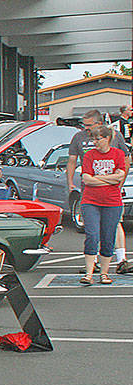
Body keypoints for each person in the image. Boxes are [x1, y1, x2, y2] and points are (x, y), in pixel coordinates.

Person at [68, 110, 130, 273]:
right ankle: (92, 262)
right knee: (92, 229)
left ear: (99, 123)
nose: (86, 129)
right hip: (90, 189)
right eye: (84, 125)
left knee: (115, 224)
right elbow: (72, 160)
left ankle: (121, 259)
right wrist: (70, 182)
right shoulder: (79, 138)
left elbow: (125, 160)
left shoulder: (115, 136)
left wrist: (120, 182)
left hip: (111, 192)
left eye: (89, 125)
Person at [77, 125, 127, 285]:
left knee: (108, 237)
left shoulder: (118, 154)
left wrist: (98, 179)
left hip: (112, 202)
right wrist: (109, 178)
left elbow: (120, 177)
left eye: (98, 139)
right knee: (92, 235)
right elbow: (86, 179)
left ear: (107, 139)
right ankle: (89, 273)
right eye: (93, 139)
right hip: (90, 201)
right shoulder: (89, 155)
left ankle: (104, 273)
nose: (95, 142)